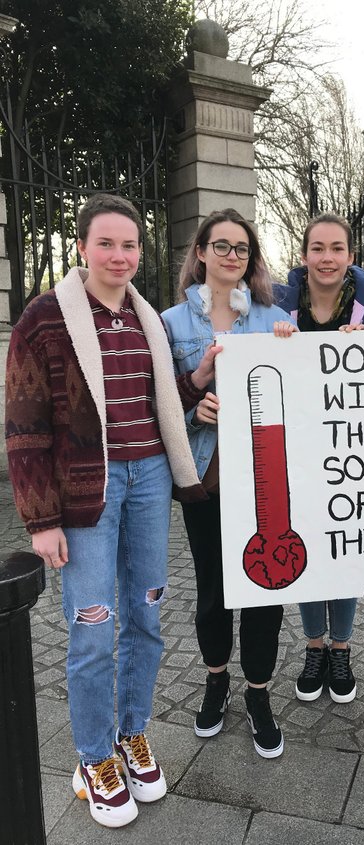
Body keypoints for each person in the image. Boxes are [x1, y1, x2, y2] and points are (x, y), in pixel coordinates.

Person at [5, 193, 208, 829]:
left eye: (130, 245)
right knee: (93, 627)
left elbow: (157, 400)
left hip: (149, 481)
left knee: (146, 616)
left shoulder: (147, 319)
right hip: (83, 491)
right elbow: (24, 427)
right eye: (107, 243)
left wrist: (199, 375)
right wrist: (41, 521)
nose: (119, 256)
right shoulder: (45, 319)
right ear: (83, 247)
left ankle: (132, 734)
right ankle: (93, 757)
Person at [162, 209, 296, 760]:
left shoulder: (273, 317)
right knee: (214, 588)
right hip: (205, 478)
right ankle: (217, 682)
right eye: (221, 246)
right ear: (200, 252)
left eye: (241, 248)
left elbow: (302, 388)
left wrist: (293, 344)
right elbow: (159, 403)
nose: (231, 256)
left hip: (266, 478)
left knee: (268, 588)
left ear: (251, 258)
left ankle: (259, 693)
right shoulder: (170, 323)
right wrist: (197, 410)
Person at [274, 212, 364, 704]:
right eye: (317, 248)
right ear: (304, 257)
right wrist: (270, 338)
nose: (327, 258)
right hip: (296, 451)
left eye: (336, 248)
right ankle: (314, 647)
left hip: (350, 451)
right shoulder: (276, 306)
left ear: (350, 257)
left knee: (345, 550)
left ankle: (341, 648)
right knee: (303, 547)